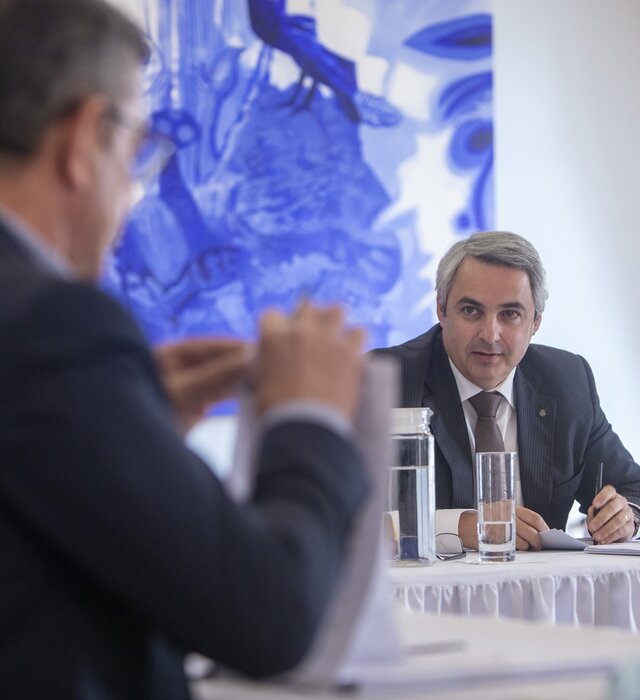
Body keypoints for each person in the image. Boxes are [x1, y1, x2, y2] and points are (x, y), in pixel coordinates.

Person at [0, 1, 369, 697]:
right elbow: (269, 615)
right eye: (135, 153)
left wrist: (129, 421)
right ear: (83, 140)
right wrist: (310, 418)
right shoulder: (54, 327)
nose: (133, 190)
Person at [373, 231, 640, 551]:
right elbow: (340, 516)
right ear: (441, 310)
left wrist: (626, 516)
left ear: (535, 322)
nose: (490, 334)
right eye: (471, 311)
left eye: (510, 314)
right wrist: (453, 527)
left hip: (543, 582)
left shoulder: (567, 381)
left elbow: (632, 489)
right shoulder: (382, 381)